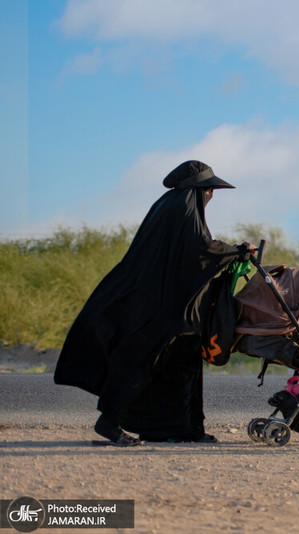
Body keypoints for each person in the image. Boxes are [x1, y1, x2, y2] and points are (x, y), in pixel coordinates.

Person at [54, 160, 255, 446]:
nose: (210, 195)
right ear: (197, 190)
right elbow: (199, 249)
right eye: (209, 190)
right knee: (143, 363)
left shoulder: (168, 205)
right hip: (161, 309)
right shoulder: (182, 208)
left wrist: (232, 254)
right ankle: (109, 421)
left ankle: (180, 428)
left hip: (173, 307)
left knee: (181, 364)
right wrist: (236, 251)